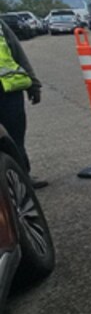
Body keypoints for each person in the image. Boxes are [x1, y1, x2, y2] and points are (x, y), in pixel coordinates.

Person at [0, 19, 45, 188]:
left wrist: (33, 84)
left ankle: (22, 179)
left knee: (14, 139)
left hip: (8, 91)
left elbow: (17, 53)